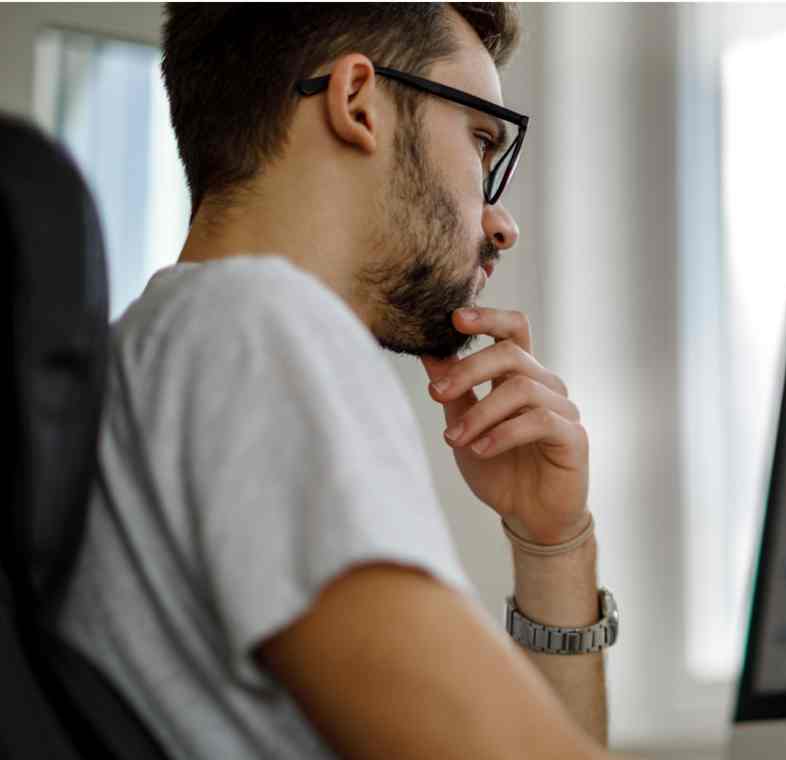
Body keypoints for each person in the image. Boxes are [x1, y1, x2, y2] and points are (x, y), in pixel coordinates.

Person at [57, 4, 615, 758]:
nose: (500, 225)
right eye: (481, 140)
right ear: (357, 102)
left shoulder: (162, 347)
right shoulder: (257, 325)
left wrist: (552, 542)